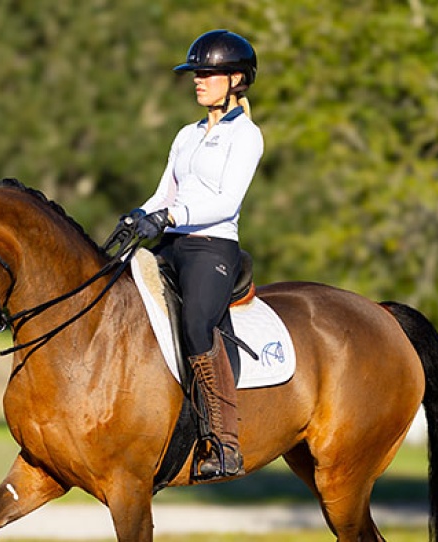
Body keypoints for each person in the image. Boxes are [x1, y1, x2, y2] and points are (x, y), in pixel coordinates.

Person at [121, 29, 263, 481]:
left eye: (208, 73)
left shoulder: (247, 137)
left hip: (212, 246)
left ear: (236, 79)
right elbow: (166, 191)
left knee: (198, 323)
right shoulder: (186, 134)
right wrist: (141, 213)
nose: (198, 80)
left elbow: (225, 201)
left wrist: (169, 216)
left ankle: (224, 444)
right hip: (173, 242)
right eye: (196, 73)